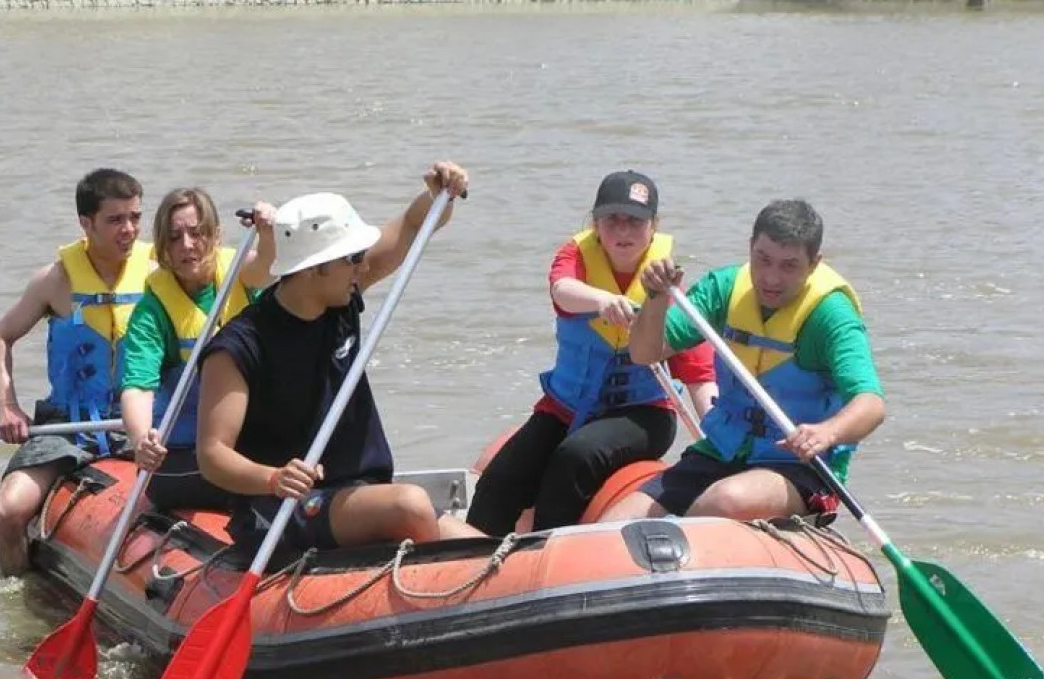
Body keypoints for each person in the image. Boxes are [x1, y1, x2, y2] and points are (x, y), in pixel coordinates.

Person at [194, 162, 486, 552]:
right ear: (315, 269)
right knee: (410, 503)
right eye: (353, 257)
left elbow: (415, 226)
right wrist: (273, 478)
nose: (363, 266)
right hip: (284, 505)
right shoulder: (238, 348)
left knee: (489, 548)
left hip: (358, 493)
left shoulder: (340, 296)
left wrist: (440, 194)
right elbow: (213, 455)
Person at [602, 199, 885, 523]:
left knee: (725, 501)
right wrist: (654, 298)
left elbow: (872, 404)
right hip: (723, 452)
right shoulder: (722, 290)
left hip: (798, 468)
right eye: (762, 260)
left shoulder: (831, 316)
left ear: (814, 263)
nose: (771, 278)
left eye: (788, 265)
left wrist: (827, 433)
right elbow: (645, 353)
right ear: (750, 247)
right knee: (615, 523)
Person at [467, 171, 716, 536]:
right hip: (564, 408)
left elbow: (699, 377)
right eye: (612, 219)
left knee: (576, 456)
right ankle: (470, 559)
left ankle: (549, 552)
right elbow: (561, 289)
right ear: (595, 224)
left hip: (644, 415)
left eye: (634, 220)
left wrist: (721, 438)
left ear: (653, 226)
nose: (623, 230)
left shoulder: (669, 286)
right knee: (502, 476)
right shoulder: (575, 258)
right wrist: (603, 301)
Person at [0, 168, 152, 575]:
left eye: (134, 217)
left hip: (141, 421)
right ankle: (19, 592)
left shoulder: (160, 274)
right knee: (7, 510)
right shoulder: (54, 281)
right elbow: (0, 338)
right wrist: (8, 407)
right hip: (67, 429)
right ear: (86, 223)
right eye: (115, 220)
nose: (128, 229)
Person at [118, 188, 277, 511]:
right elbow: (138, 386)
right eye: (174, 238)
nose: (187, 246)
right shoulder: (151, 312)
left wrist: (269, 232)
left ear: (216, 236)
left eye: (196, 233)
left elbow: (265, 267)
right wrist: (141, 440)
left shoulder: (241, 274)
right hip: (186, 455)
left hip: (250, 445)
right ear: (163, 245)